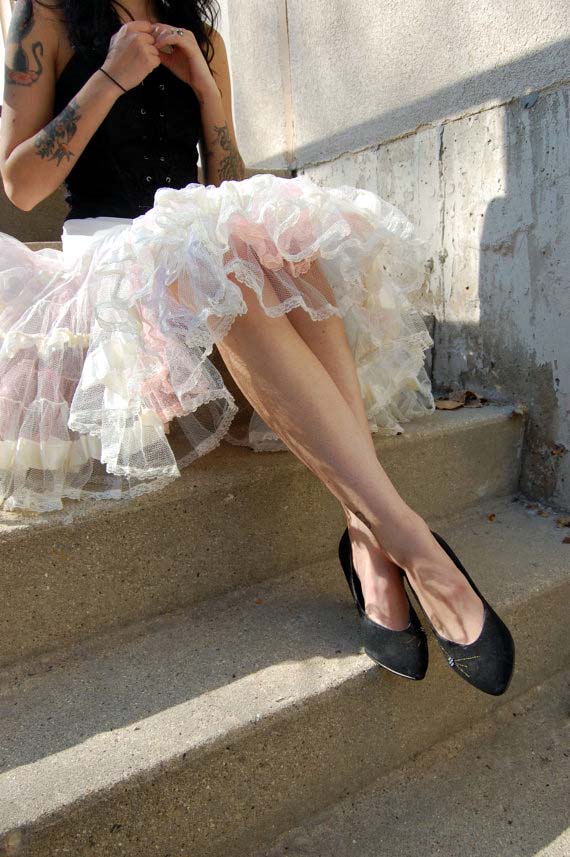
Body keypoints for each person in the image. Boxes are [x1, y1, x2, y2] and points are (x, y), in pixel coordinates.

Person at [0, 0, 514, 694]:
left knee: (284, 244)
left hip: (193, 248)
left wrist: (207, 92)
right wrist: (112, 77)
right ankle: (416, 549)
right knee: (208, 261)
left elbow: (231, 191)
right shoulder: (48, 18)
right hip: (110, 258)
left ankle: (368, 540)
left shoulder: (203, 36)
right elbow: (20, 184)